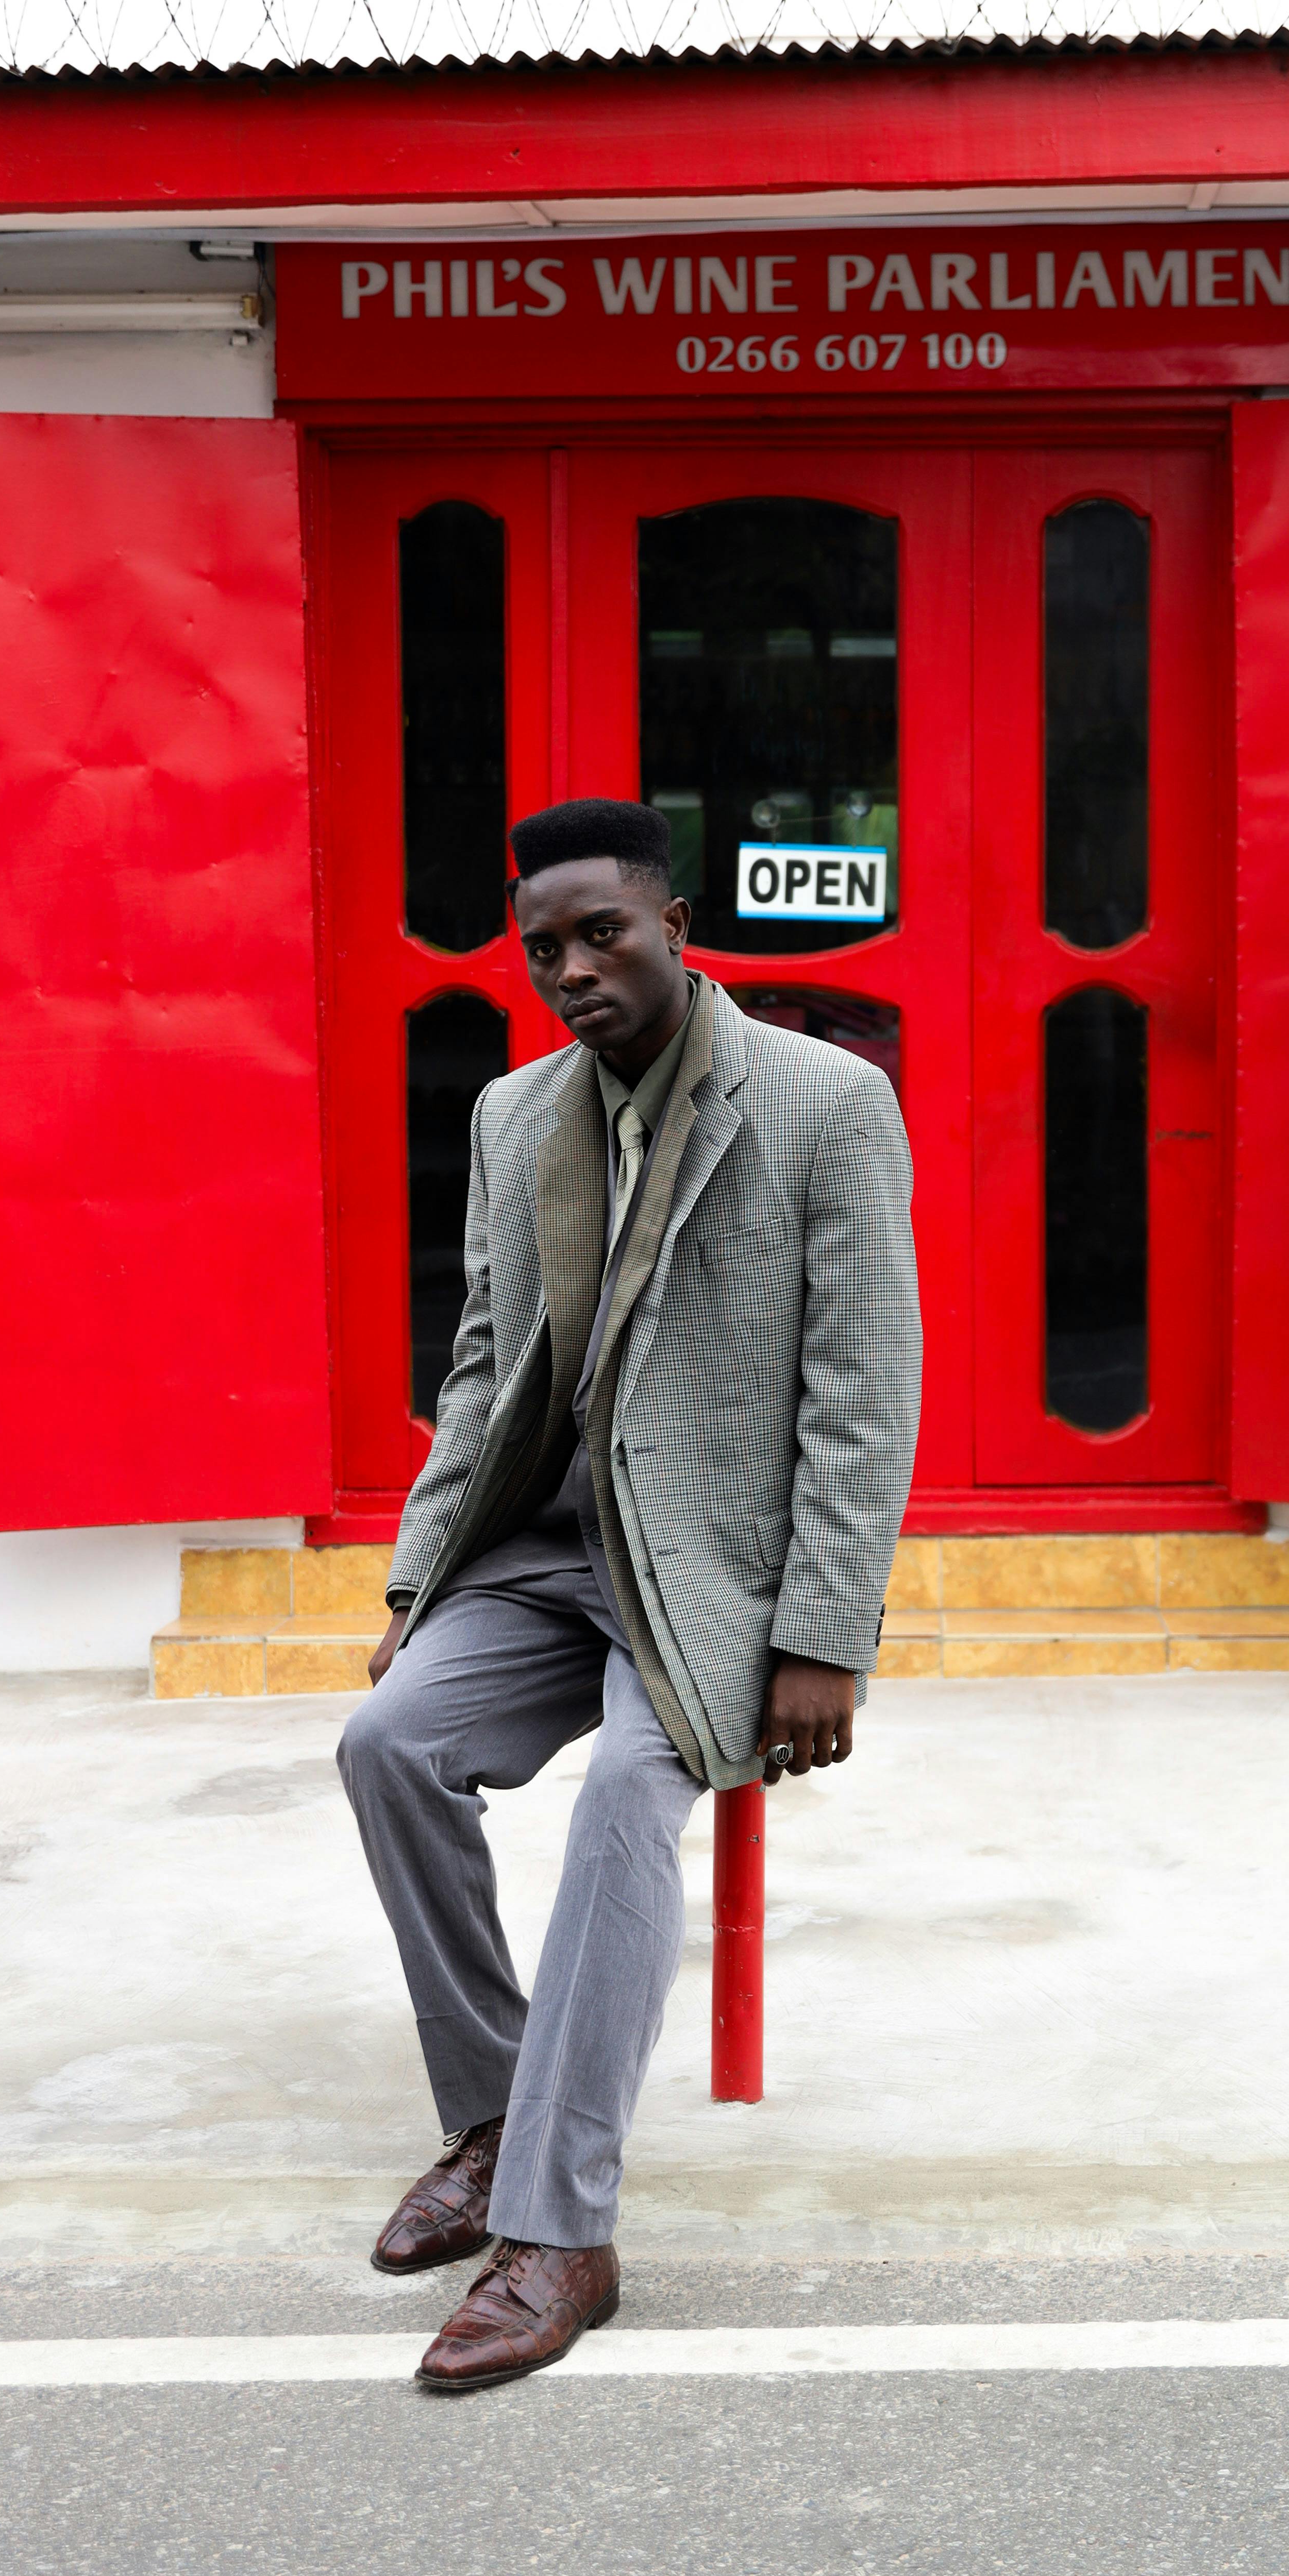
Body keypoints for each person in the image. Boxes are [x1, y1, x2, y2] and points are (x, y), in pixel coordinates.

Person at [339, 797, 921, 2389]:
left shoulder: (824, 1103)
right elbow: (480, 1366)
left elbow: (864, 1389)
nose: (575, 969)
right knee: (387, 1744)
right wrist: (420, 1571)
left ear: (672, 924)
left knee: (616, 1812)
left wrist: (825, 1636)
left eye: (604, 933)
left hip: (719, 1582)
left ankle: (560, 2232)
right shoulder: (516, 1118)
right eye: (544, 950)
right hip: (546, 1551)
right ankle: (494, 2111)